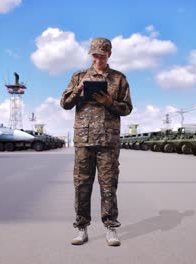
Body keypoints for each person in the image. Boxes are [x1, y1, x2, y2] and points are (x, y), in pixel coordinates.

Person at [60, 37, 133, 246]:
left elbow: (127, 108)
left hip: (108, 142)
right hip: (84, 140)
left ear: (109, 54)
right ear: (90, 55)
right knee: (82, 185)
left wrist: (109, 101)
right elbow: (64, 103)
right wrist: (79, 89)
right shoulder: (79, 76)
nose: (98, 59)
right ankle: (81, 228)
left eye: (102, 55)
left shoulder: (119, 79)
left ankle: (111, 228)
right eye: (95, 55)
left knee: (108, 185)